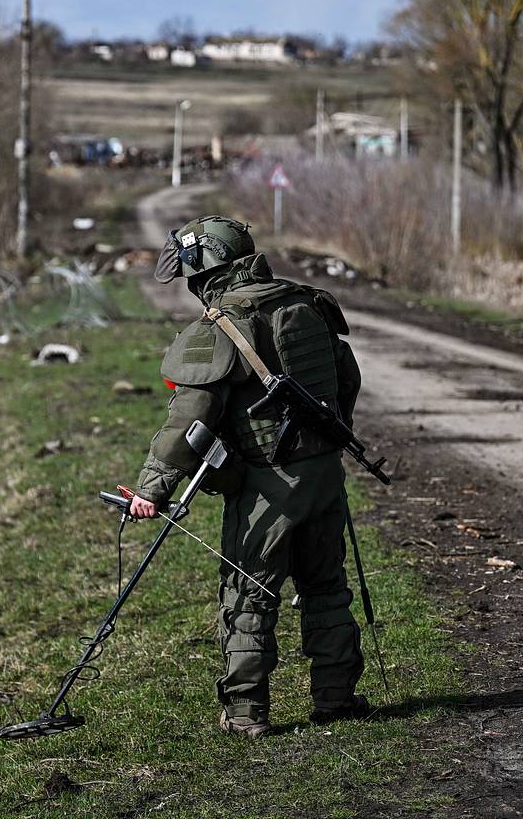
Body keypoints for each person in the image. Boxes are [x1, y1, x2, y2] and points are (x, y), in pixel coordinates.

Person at [120, 215, 369, 738]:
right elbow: (347, 381)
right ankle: (336, 699)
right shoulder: (310, 305)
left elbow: (188, 418)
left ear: (208, 267)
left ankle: (245, 713)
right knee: (326, 590)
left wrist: (150, 490)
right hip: (324, 476)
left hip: (266, 489)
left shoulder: (221, 327)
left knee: (249, 596)